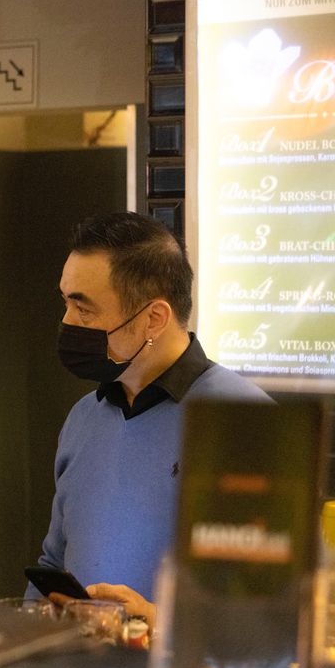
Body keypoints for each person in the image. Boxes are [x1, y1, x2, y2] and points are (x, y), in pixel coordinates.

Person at [26, 212, 271, 629]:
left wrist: (161, 623)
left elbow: (287, 604)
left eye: (83, 309)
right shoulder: (84, 418)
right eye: (65, 302)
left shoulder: (247, 423)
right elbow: (53, 561)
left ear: (154, 318)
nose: (67, 322)